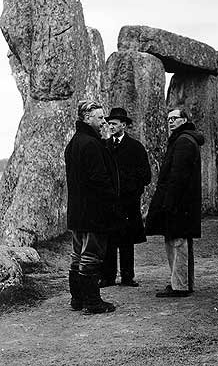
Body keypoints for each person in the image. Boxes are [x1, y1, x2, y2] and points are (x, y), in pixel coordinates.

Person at [65, 100, 123, 314]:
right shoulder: (91, 144)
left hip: (78, 211)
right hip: (94, 211)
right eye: (100, 118)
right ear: (87, 118)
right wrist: (112, 202)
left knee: (77, 255)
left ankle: (77, 299)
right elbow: (99, 179)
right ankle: (92, 301)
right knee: (90, 255)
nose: (104, 121)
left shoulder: (74, 142)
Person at [145, 107, 204, 297]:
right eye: (168, 119)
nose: (170, 122)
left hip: (179, 202)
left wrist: (168, 203)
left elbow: (178, 176)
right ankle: (183, 283)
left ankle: (179, 285)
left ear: (184, 120)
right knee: (180, 242)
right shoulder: (184, 139)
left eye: (175, 118)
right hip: (183, 201)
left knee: (177, 242)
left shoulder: (183, 141)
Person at [99, 108, 151, 288]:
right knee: (109, 241)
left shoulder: (136, 147)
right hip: (110, 202)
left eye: (114, 123)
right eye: (109, 124)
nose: (110, 126)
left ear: (124, 125)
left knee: (127, 240)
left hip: (128, 202)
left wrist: (133, 190)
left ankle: (128, 277)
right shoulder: (104, 146)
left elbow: (146, 175)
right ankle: (108, 277)